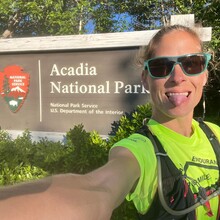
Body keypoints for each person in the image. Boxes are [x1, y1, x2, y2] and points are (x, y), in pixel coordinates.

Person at [0, 24, 219, 220]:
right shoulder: (141, 150)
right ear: (145, 78)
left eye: (192, 63)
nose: (177, 77)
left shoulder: (215, 134)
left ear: (205, 75)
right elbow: (97, 187)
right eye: (161, 67)